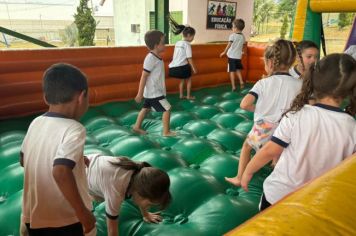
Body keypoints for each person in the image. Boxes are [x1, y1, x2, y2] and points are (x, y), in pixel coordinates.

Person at [240, 53, 356, 211]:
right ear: (350, 90)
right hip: (317, 202)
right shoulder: (351, 126)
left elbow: (269, 150)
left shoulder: (297, 114)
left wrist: (248, 171)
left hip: (278, 196)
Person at [20, 63, 95, 236]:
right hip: (65, 219)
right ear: (82, 96)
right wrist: (83, 213)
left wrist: (77, 159)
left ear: (46, 98)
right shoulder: (75, 128)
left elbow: (25, 160)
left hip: (33, 216)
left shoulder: (36, 122)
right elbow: (60, 171)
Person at [225, 39, 302, 187]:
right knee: (279, 149)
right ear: (292, 61)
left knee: (247, 147)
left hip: (264, 126)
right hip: (286, 126)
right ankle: (275, 170)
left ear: (270, 63)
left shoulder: (263, 83)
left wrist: (258, 109)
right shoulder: (299, 84)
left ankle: (239, 177)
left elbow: (245, 104)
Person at [85, 154, 171, 236]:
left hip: (91, 160)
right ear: (140, 193)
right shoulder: (116, 192)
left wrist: (146, 214)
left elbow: (145, 189)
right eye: (149, 204)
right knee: (97, 199)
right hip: (79, 177)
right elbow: (112, 230)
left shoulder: (141, 171)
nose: (149, 207)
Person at [133, 30, 175, 136]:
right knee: (168, 108)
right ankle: (166, 131)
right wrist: (139, 93)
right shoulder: (150, 58)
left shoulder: (156, 57)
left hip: (152, 92)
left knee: (146, 109)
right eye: (163, 42)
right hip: (155, 92)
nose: (165, 44)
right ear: (156, 45)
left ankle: (136, 127)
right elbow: (144, 76)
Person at [168, 15, 197, 100]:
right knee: (189, 80)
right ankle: (188, 96)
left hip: (173, 68)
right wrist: (194, 68)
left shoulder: (178, 43)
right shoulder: (187, 44)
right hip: (182, 68)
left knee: (182, 80)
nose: (193, 38)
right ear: (188, 35)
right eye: (193, 36)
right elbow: (189, 58)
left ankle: (181, 95)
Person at [220, 18, 246, 91]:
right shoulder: (243, 36)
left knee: (232, 71)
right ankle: (241, 82)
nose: (232, 28)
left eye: (232, 27)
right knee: (238, 70)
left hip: (231, 57)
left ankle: (233, 86)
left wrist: (224, 52)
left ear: (236, 28)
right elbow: (244, 45)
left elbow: (229, 45)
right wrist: (243, 52)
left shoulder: (233, 36)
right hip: (238, 57)